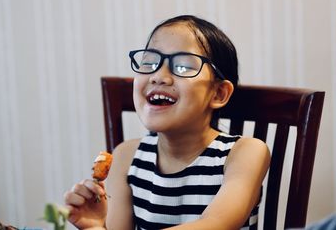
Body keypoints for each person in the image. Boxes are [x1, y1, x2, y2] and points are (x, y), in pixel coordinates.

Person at [64, 15, 271, 230]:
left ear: (218, 93)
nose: (158, 76)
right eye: (150, 63)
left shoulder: (244, 153)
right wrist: (95, 225)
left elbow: (215, 224)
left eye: (182, 67)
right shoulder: (125, 157)